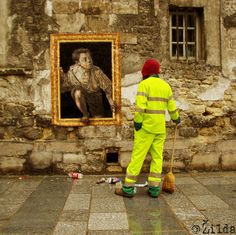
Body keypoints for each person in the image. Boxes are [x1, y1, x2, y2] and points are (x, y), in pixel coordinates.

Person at [115, 59, 180, 198]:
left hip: (145, 128)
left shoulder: (144, 85)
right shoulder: (165, 86)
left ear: (146, 71)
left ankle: (128, 188)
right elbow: (171, 106)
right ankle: (154, 189)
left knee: (138, 156)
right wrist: (176, 118)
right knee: (157, 157)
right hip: (159, 129)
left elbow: (140, 107)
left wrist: (137, 122)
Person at [60, 48, 115, 123]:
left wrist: (110, 100)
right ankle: (85, 114)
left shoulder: (97, 71)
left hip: (95, 97)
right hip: (81, 98)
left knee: (98, 120)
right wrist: (61, 76)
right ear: (78, 62)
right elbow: (65, 86)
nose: (89, 61)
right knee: (77, 92)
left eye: (90, 58)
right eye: (84, 59)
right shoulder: (73, 72)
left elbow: (108, 87)